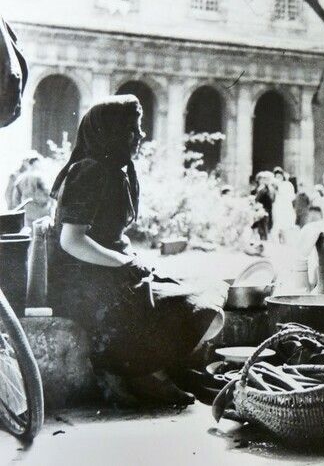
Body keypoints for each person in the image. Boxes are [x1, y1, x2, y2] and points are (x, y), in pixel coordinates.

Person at [47, 95, 225, 406]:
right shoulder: (88, 171)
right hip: (83, 282)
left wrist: (128, 262)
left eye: (138, 129)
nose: (139, 137)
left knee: (200, 302)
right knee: (181, 306)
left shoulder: (115, 169)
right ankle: (138, 375)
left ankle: (167, 372)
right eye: (131, 130)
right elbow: (71, 241)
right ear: (109, 133)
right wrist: (122, 263)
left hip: (110, 270)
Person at [11, 154, 52, 228]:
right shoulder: (41, 177)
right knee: (41, 235)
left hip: (28, 213)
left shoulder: (21, 178)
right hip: (42, 213)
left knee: (30, 234)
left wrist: (21, 210)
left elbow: (16, 199)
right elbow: (50, 194)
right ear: (36, 163)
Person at [270, 166, 296, 244]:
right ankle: (277, 242)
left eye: (280, 176)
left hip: (286, 207)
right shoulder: (273, 186)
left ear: (282, 176)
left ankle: (285, 242)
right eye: (276, 176)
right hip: (277, 206)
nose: (278, 178)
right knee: (277, 224)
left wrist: (282, 193)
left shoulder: (288, 184)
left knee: (286, 226)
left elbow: (292, 196)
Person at [251, 171, 273, 241]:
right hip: (258, 211)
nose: (262, 180)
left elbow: (269, 201)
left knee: (263, 230)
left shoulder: (267, 190)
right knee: (259, 230)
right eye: (261, 179)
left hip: (264, 211)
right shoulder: (259, 189)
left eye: (265, 179)